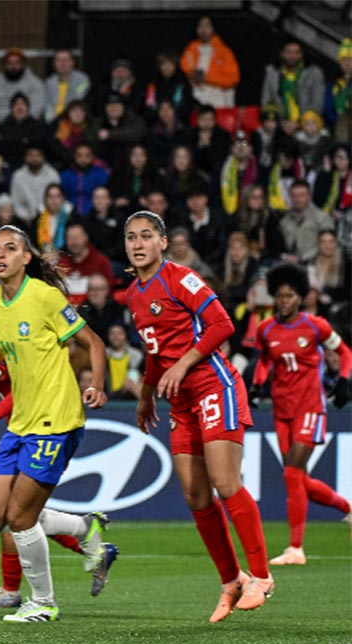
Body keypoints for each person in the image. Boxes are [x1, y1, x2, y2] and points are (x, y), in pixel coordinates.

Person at [0, 225, 108, 622]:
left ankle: (43, 602)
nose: (0, 255)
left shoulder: (45, 297)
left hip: (56, 419)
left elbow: (93, 343)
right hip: (21, 422)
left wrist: (97, 384)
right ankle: (85, 527)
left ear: (26, 257)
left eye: (10, 249)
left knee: (20, 518)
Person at [124, 210, 273, 622]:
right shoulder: (134, 295)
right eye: (131, 237)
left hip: (213, 384)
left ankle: (261, 575)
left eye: (146, 236)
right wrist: (147, 395)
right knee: (194, 493)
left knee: (226, 483)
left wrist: (183, 364)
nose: (138, 244)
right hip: (180, 400)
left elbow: (222, 324)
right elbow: (156, 352)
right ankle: (232, 579)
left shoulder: (180, 278)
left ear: (163, 242)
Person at [251, 262, 352, 565]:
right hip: (281, 411)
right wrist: (257, 385)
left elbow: (345, 353)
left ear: (301, 297)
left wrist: (345, 380)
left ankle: (296, 548)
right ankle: (348, 509)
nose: (284, 301)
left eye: (290, 296)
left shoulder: (316, 326)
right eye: (279, 296)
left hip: (309, 407)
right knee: (297, 479)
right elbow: (264, 361)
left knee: (293, 473)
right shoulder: (265, 329)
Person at [179, 15, 240, 109]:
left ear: (213, 28)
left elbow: (233, 78)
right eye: (200, 26)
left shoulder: (224, 52)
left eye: (207, 26)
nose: (203, 30)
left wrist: (206, 78)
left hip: (217, 100)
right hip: (194, 100)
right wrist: (192, 74)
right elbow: (185, 67)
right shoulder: (190, 49)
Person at [261, 41, 326, 121]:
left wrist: (300, 123)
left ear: (302, 55)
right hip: (279, 124)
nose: (292, 56)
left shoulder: (314, 73)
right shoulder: (272, 72)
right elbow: (266, 102)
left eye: (296, 53)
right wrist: (280, 123)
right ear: (282, 54)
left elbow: (318, 104)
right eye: (288, 52)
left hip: (307, 125)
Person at [0, 49, 46, 127]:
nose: (13, 66)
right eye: (9, 63)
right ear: (4, 65)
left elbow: (37, 109)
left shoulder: (36, 83)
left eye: (17, 63)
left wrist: (21, 124)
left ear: (23, 64)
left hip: (26, 127)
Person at [9, 145, 59, 228]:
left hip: (48, 217)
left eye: (38, 155)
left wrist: (43, 217)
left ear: (44, 158)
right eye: (31, 155)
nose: (34, 158)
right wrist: (25, 217)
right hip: (23, 220)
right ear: (25, 158)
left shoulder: (53, 175)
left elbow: (56, 199)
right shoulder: (18, 176)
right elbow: (15, 201)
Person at [60, 142, 108, 217]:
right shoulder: (66, 175)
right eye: (79, 156)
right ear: (74, 156)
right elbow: (63, 199)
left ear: (93, 157)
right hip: (70, 216)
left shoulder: (100, 174)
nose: (83, 159)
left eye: (87, 156)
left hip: (94, 216)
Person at [45, 50, 91, 124]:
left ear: (72, 62)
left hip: (75, 121)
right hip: (52, 121)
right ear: (54, 64)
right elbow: (48, 105)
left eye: (66, 60)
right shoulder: (48, 83)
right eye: (59, 60)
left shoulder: (83, 80)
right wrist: (51, 121)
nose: (63, 63)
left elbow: (77, 99)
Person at [325, 39, 352, 143]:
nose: (347, 63)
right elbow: (328, 107)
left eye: (350, 60)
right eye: (344, 60)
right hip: (337, 124)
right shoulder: (334, 82)